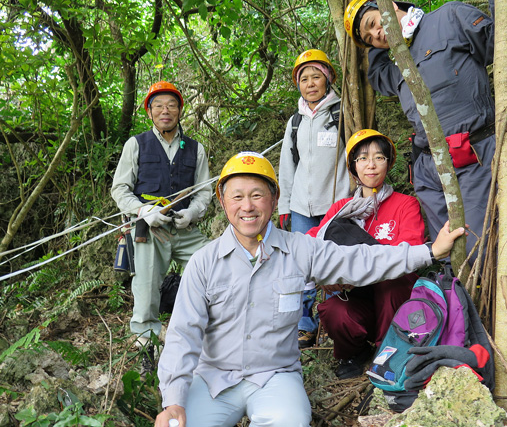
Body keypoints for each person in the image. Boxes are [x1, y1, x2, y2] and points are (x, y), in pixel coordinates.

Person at [154, 151, 465, 427]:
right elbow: (183, 335)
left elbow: (362, 259)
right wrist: (173, 399)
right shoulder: (203, 263)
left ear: (274, 200)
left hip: (274, 377)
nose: (247, 206)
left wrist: (429, 251)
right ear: (222, 202)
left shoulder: (300, 249)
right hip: (213, 379)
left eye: (257, 195)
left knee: (292, 421)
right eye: (237, 197)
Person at [344, 0, 507, 367]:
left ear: (391, 5)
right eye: (369, 37)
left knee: (485, 246)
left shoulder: (449, 18)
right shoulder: (393, 62)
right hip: (428, 168)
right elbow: (376, 75)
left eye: (374, 24)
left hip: (472, 152)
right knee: (446, 256)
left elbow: (502, 39)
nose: (377, 36)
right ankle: (466, 334)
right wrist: (379, 38)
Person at [306, 129, 425, 379]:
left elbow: (410, 251)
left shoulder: (406, 204)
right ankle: (353, 352)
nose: (371, 165)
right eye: (362, 159)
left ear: (389, 162)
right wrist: (328, 275)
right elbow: (313, 243)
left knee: (390, 284)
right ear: (353, 167)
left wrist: (366, 266)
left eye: (379, 158)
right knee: (333, 309)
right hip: (357, 295)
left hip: (394, 294)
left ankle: (390, 351)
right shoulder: (341, 209)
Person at [111, 81, 212, 372]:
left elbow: (204, 190)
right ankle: (147, 349)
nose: (165, 111)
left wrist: (192, 212)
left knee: (213, 266)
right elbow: (120, 189)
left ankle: (209, 341)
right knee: (145, 290)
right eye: (158, 106)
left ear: (180, 110)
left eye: (171, 105)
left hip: (184, 231)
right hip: (149, 232)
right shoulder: (137, 144)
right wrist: (142, 211)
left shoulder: (195, 148)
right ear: (150, 112)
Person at [278, 49, 351, 348]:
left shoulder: (342, 113)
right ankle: (305, 326)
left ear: (329, 78)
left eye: (316, 77)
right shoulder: (295, 121)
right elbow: (287, 166)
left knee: (334, 263)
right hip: (301, 207)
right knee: (301, 266)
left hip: (335, 203)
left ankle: (334, 322)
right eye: (304, 78)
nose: (310, 84)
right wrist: (284, 206)